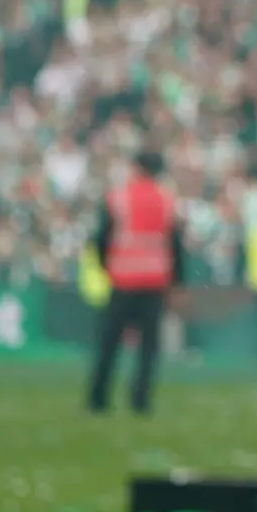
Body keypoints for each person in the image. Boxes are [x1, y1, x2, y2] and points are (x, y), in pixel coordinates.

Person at [87, 150, 183, 415]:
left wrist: (106, 265)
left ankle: (98, 399)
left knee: (109, 344)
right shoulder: (166, 200)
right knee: (148, 348)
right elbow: (175, 243)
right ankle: (140, 401)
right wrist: (176, 280)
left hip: (123, 279)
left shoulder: (119, 197)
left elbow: (102, 237)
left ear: (137, 168)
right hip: (155, 281)